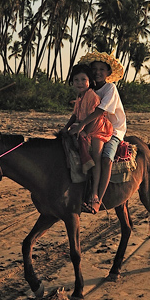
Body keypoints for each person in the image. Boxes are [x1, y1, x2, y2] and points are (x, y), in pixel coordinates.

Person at [75, 51, 127, 214]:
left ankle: (97, 197)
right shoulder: (87, 89)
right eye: (95, 69)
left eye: (102, 69)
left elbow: (99, 111)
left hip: (112, 130)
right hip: (92, 127)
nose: (98, 72)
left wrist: (81, 126)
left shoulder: (110, 88)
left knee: (105, 159)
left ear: (108, 73)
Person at [62, 64, 114, 214]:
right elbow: (75, 115)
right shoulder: (80, 97)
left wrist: (85, 132)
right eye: (76, 80)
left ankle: (95, 193)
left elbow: (95, 117)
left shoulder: (91, 95)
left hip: (98, 128)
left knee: (97, 156)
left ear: (89, 81)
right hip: (85, 127)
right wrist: (66, 127)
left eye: (83, 79)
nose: (79, 82)